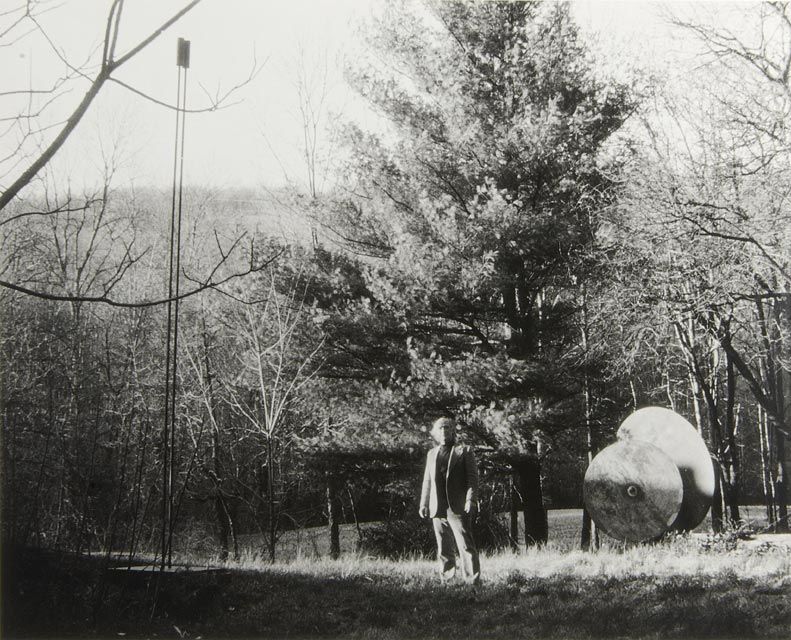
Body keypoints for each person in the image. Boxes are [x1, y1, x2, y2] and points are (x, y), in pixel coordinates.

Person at [419, 416, 481, 584]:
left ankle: (472, 581)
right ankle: (448, 580)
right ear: (436, 433)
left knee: (466, 546)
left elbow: (472, 479)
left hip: (458, 507)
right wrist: (424, 504)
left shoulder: (464, 451)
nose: (444, 431)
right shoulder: (432, 454)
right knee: (444, 547)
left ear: (453, 431)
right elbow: (427, 481)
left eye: (447, 428)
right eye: (440, 428)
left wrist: (471, 500)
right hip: (437, 507)